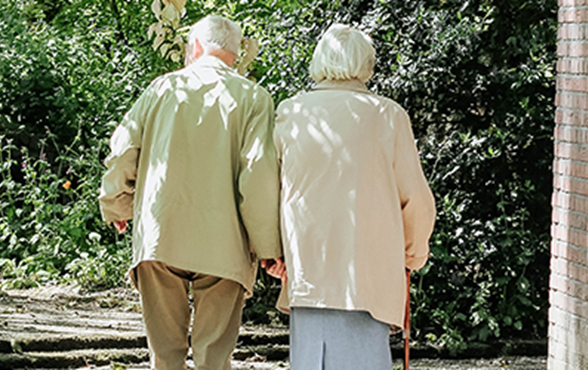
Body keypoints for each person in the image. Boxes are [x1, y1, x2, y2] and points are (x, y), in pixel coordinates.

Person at [98, 15, 282, 370]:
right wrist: (269, 247)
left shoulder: (161, 89)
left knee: (165, 355)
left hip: (160, 234)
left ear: (195, 47)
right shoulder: (254, 98)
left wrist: (118, 204)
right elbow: (257, 175)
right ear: (235, 53)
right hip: (223, 243)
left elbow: (123, 151)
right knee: (214, 357)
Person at [268, 24, 436, 369]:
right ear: (367, 64)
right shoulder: (388, 115)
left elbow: (269, 190)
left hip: (307, 269)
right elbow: (416, 198)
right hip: (369, 273)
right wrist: (412, 254)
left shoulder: (291, 112)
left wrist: (273, 253)